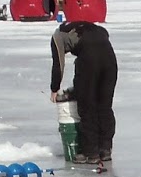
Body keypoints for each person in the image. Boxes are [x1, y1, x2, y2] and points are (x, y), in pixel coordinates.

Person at [50, 21, 118, 165]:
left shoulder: (58, 36)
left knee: (87, 107)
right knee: (105, 106)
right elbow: (104, 35)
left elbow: (58, 64)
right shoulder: (95, 28)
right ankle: (105, 149)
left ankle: (91, 153)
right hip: (110, 59)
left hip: (89, 59)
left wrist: (54, 88)